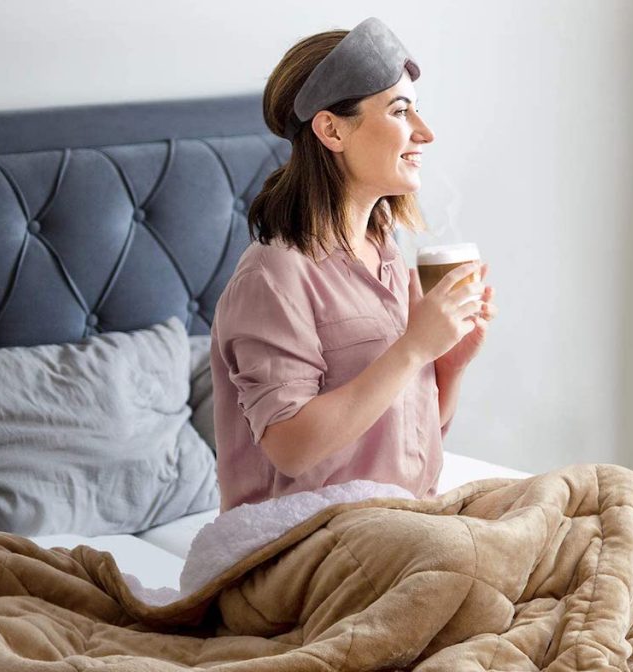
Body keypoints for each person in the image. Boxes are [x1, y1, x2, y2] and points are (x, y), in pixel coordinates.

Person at [209, 18, 497, 512]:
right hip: (302, 544)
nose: (425, 133)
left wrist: (447, 367)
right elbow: (291, 447)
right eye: (401, 111)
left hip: (403, 522)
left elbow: (406, 439)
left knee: (615, 502)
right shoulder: (273, 275)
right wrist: (412, 349)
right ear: (331, 130)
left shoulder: (386, 252)